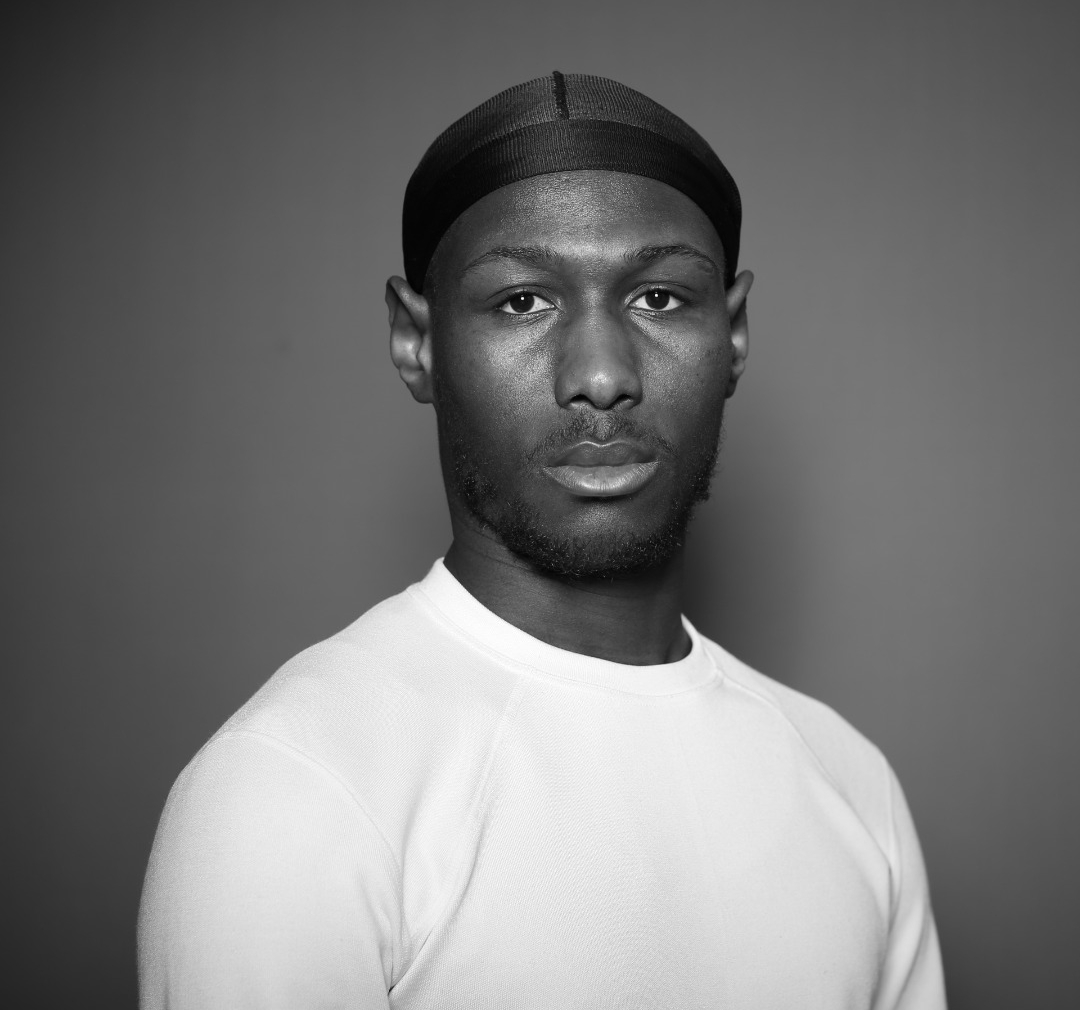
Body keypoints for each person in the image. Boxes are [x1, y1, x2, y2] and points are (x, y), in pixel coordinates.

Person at [138, 72, 947, 1008]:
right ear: (416, 342)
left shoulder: (851, 785)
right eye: (522, 301)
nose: (601, 376)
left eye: (658, 298)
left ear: (732, 334)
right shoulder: (294, 790)